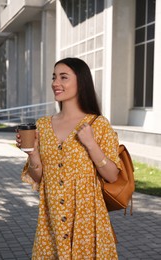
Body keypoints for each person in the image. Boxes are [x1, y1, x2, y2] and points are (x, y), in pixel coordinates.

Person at [16, 57, 121, 259]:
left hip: (87, 223)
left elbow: (112, 175)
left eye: (63, 77)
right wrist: (32, 152)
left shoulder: (98, 124)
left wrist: (91, 144)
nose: (56, 83)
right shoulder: (43, 125)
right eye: (54, 77)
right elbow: (38, 178)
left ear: (81, 82)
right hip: (51, 221)